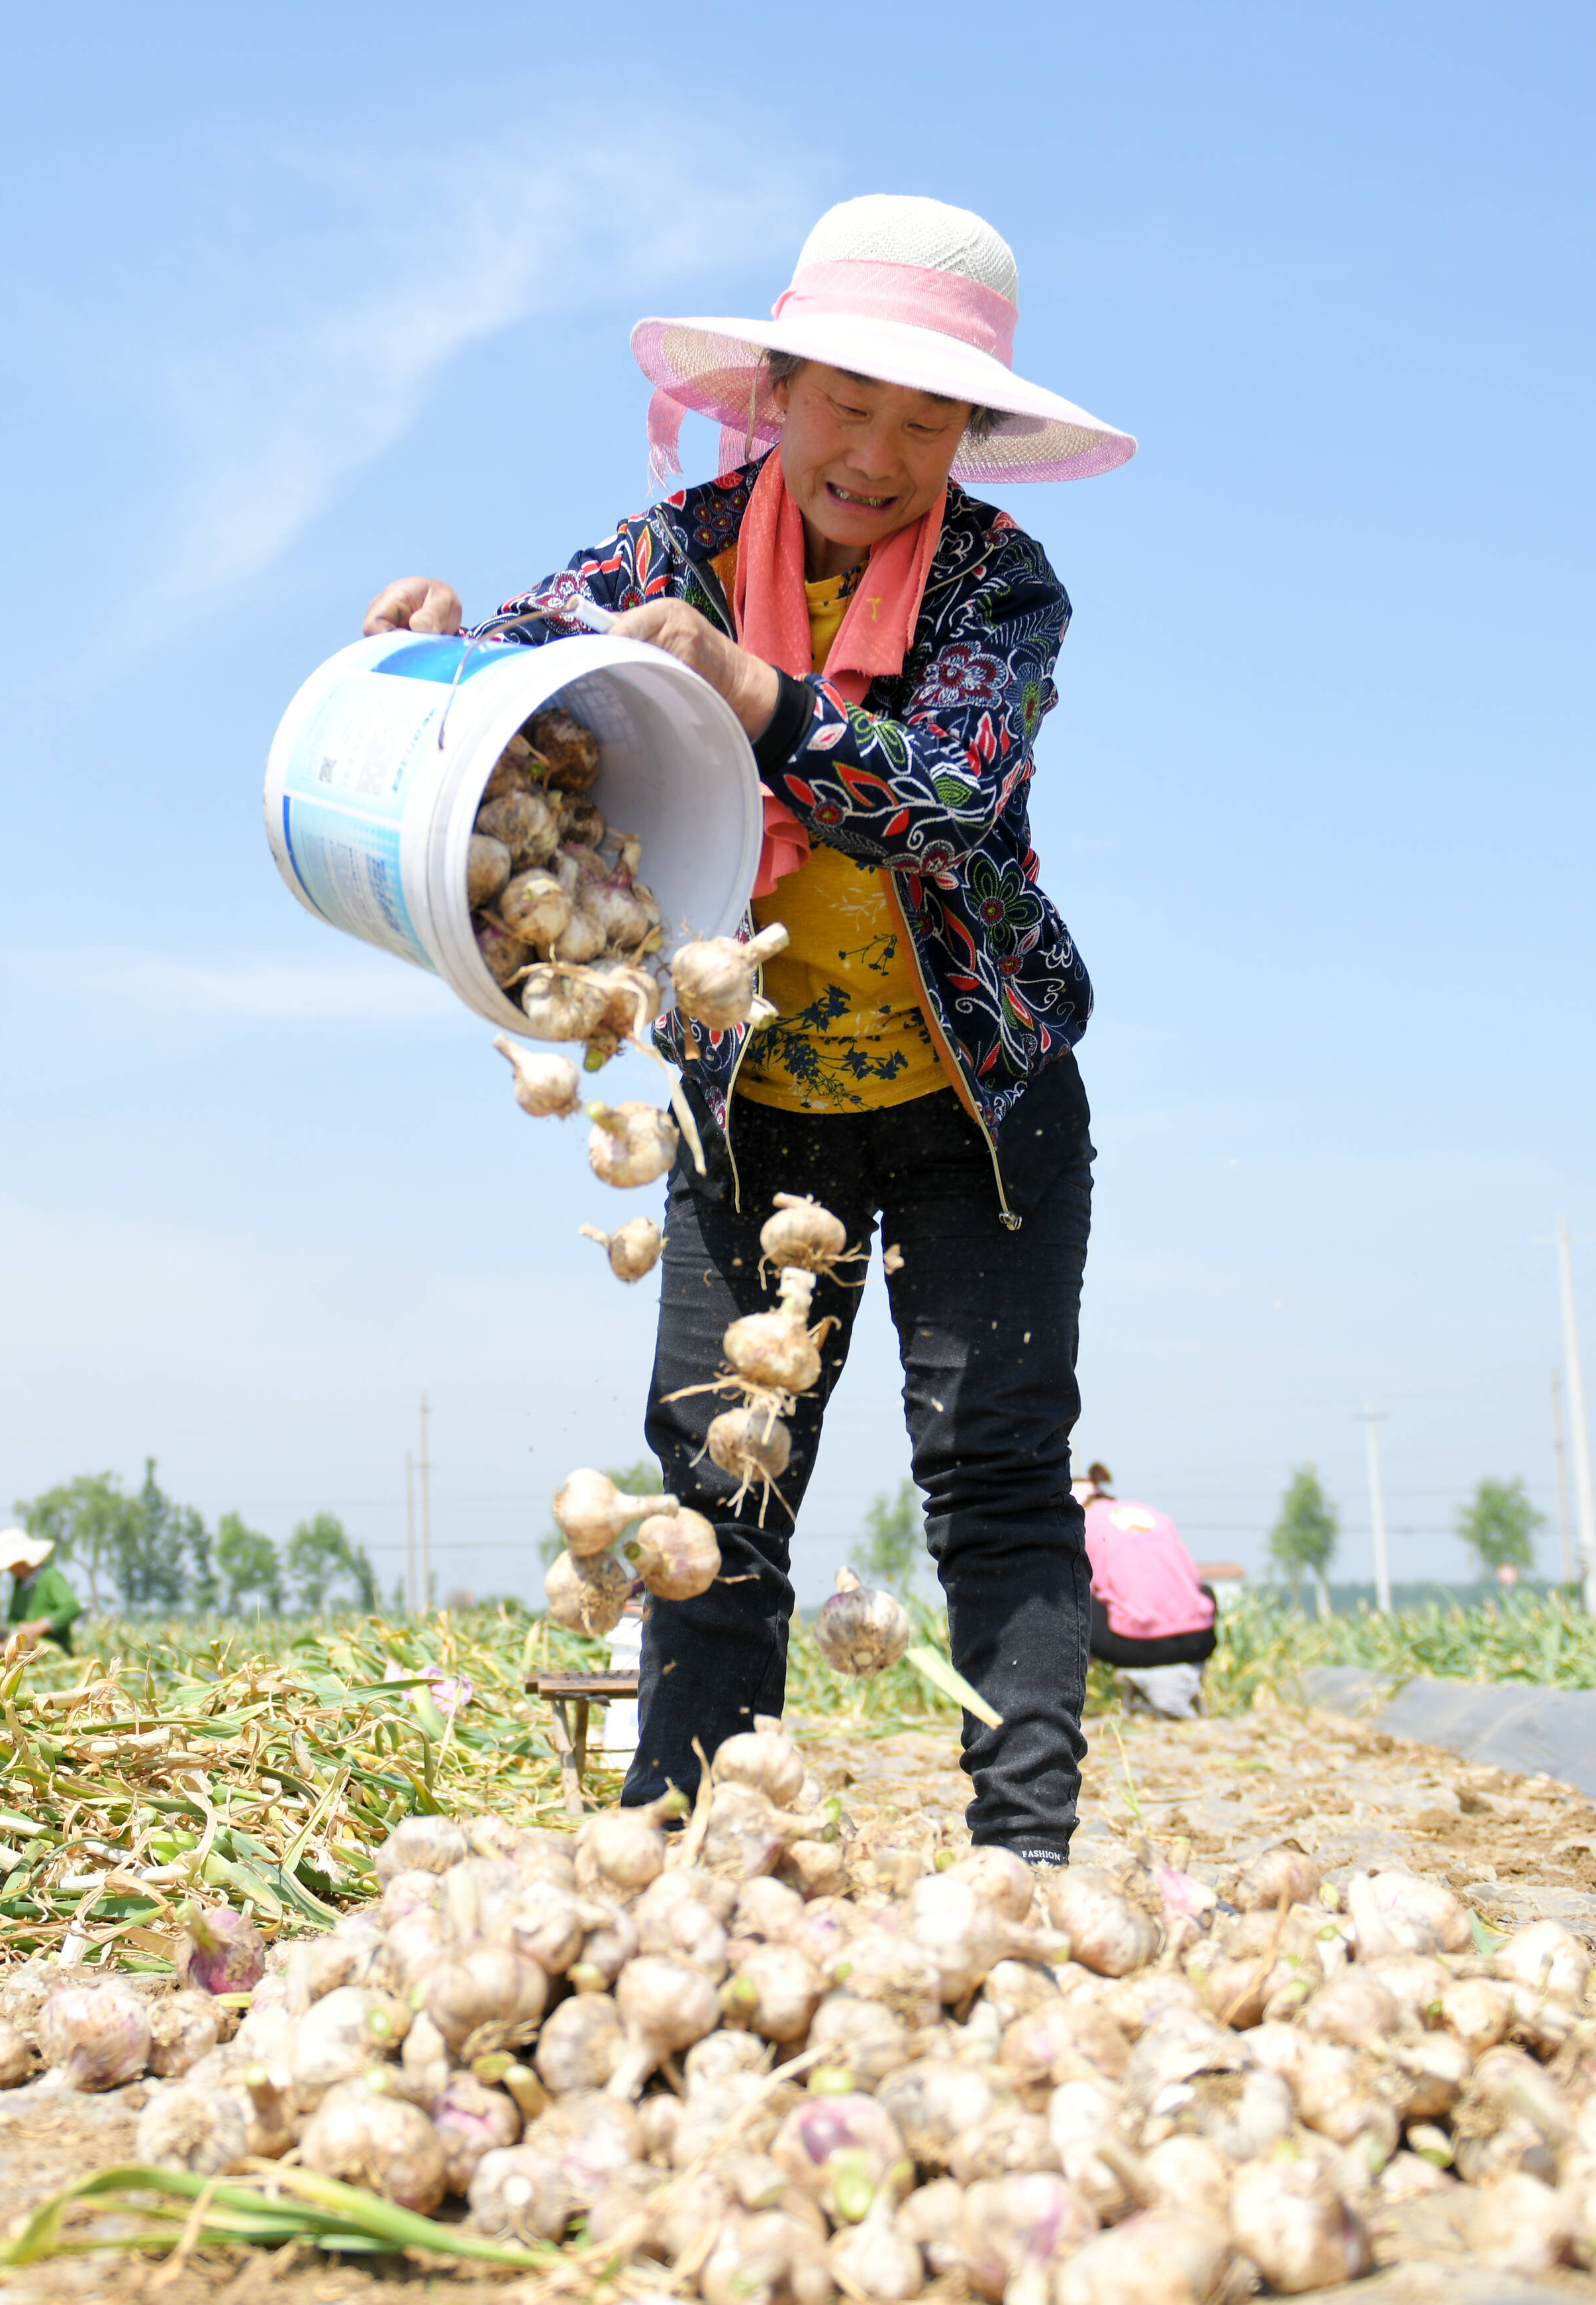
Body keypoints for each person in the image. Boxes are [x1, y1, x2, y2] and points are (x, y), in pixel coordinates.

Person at [365, 195, 1133, 1863]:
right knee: (718, 1485)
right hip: (752, 1104)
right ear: (773, 391)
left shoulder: (999, 586)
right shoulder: (671, 552)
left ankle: (1020, 1863)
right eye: (844, 403)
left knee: (994, 1475)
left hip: (976, 1107)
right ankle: (693, 1851)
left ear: (970, 432)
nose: (874, 448)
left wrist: (763, 698)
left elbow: (954, 805)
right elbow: (519, 667)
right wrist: (432, 653)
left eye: (922, 417)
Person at [1073, 1462, 1219, 1719]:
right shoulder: (1154, 1515)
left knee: (1072, 1594)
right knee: (1203, 1590)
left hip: (1133, 1647)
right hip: (1199, 1641)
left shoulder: (1080, 1524)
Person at [0, 1527, 79, 1657]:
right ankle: (9, 1652)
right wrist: (18, 1631)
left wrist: (40, 1626)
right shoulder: (20, 1584)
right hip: (24, 1640)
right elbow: (13, 1618)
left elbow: (72, 1607)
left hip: (47, 1645)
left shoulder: (49, 1576)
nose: (10, 1570)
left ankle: (11, 1653)